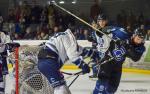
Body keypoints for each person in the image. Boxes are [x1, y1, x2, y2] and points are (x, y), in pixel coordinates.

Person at [87, 14, 145, 94]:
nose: (139, 41)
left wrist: (127, 47)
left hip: (117, 66)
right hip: (107, 62)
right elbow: (113, 28)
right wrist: (99, 32)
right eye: (138, 39)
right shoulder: (124, 34)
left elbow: (135, 58)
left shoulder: (141, 47)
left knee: (111, 90)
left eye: (141, 40)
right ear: (133, 35)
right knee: (101, 87)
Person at [37, 29, 97, 94]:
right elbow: (72, 55)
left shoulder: (64, 37)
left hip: (45, 62)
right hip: (49, 62)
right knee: (60, 88)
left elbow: (78, 49)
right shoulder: (69, 38)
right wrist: (83, 65)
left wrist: (93, 54)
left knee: (63, 87)